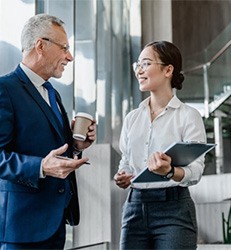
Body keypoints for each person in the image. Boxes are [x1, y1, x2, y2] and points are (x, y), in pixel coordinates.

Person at [0, 14, 96, 249]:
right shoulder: (5, 89)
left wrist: (75, 145)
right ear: (40, 45)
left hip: (55, 223)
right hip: (21, 229)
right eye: (64, 48)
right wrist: (41, 167)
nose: (70, 56)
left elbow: (50, 145)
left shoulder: (52, 92)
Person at [114, 40, 207, 250]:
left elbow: (196, 171)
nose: (139, 70)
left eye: (146, 63)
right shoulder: (131, 118)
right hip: (135, 206)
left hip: (174, 209)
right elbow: (127, 161)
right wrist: (123, 175)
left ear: (168, 70)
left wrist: (170, 171)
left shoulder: (188, 116)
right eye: (137, 65)